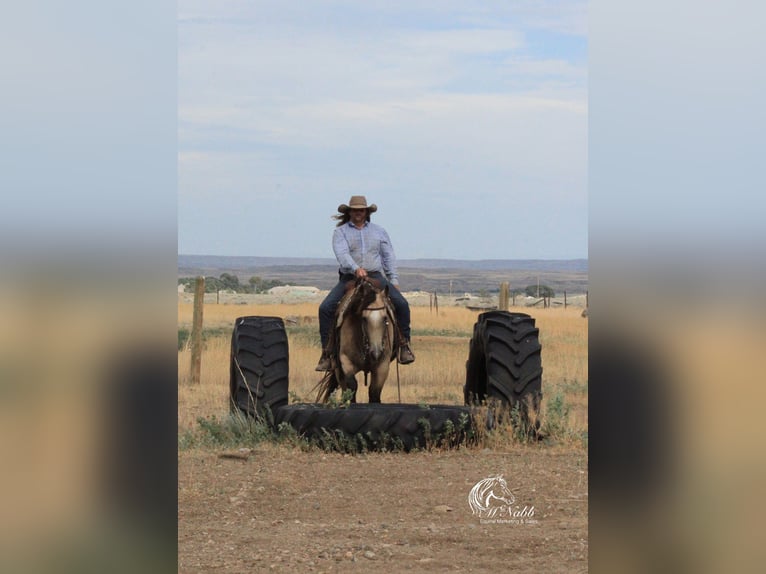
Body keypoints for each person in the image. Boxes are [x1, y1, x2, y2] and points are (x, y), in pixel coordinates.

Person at [316, 196, 415, 371]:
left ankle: (403, 345)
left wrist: (394, 280)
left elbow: (388, 256)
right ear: (349, 212)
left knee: (402, 304)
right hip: (350, 278)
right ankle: (327, 353)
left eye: (361, 210)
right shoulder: (341, 232)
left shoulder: (379, 232)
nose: (358, 213)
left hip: (376, 276)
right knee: (326, 308)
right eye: (355, 210)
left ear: (367, 212)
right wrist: (355, 268)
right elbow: (342, 254)